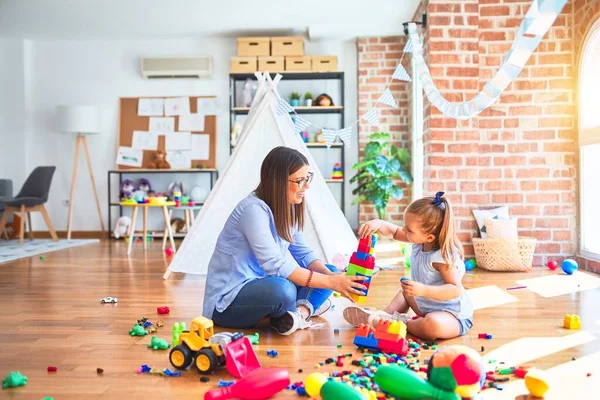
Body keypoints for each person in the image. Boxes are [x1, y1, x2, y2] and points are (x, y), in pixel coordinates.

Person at [202, 146, 368, 336]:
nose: (306, 186)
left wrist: (335, 278)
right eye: (300, 181)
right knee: (284, 289)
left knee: (328, 270)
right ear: (278, 182)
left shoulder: (285, 208)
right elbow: (275, 264)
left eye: (307, 178)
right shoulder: (253, 210)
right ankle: (301, 307)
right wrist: (331, 283)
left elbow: (303, 253)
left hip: (261, 285)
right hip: (227, 302)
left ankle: (298, 314)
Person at [343, 192, 473, 341]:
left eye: (409, 229)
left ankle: (397, 322)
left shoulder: (442, 256)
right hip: (425, 305)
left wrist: (423, 290)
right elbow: (394, 231)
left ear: (430, 237)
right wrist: (379, 223)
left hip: (452, 315)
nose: (404, 230)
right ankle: (382, 316)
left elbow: (454, 289)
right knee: (405, 293)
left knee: (431, 326)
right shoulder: (420, 241)